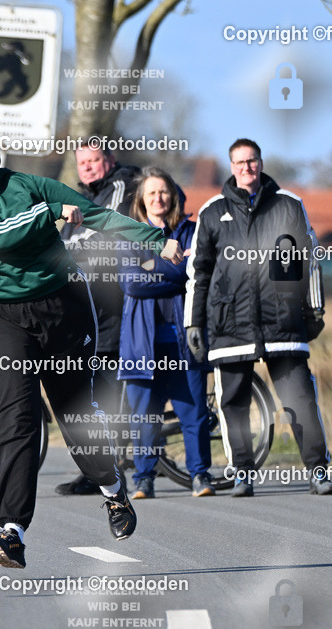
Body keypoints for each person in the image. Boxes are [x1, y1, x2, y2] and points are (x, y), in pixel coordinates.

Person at [0, 124, 184, 569]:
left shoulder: (28, 185)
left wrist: (156, 239)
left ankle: (113, 492)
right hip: (0, 315)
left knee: (76, 417)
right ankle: (12, 531)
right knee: (19, 413)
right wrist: (47, 213)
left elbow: (94, 213)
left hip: (62, 307)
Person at [185, 138, 332, 497]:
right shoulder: (212, 211)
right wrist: (194, 322)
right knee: (233, 404)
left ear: (261, 162)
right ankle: (242, 473)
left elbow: (309, 260)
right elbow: (199, 272)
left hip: (282, 322)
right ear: (231, 166)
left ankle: (318, 470)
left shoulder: (288, 205)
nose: (246, 168)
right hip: (228, 324)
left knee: (299, 399)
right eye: (239, 163)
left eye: (251, 161)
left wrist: (314, 308)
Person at [119, 167, 213, 499]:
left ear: (172, 195)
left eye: (164, 191)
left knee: (194, 412)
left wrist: (152, 266)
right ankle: (144, 478)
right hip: (141, 343)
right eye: (151, 193)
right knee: (144, 416)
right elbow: (131, 282)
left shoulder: (190, 231)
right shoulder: (129, 235)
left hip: (182, 340)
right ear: (141, 202)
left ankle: (200, 475)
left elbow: (195, 273)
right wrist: (170, 263)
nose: (158, 198)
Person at [54, 145, 142, 496]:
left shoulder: (120, 187)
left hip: (111, 302)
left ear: (110, 161)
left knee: (104, 384)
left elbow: (107, 230)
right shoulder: (80, 199)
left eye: (93, 161)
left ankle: (107, 470)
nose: (87, 168)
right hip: (85, 305)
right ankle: (100, 467)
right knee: (93, 385)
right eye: (82, 164)